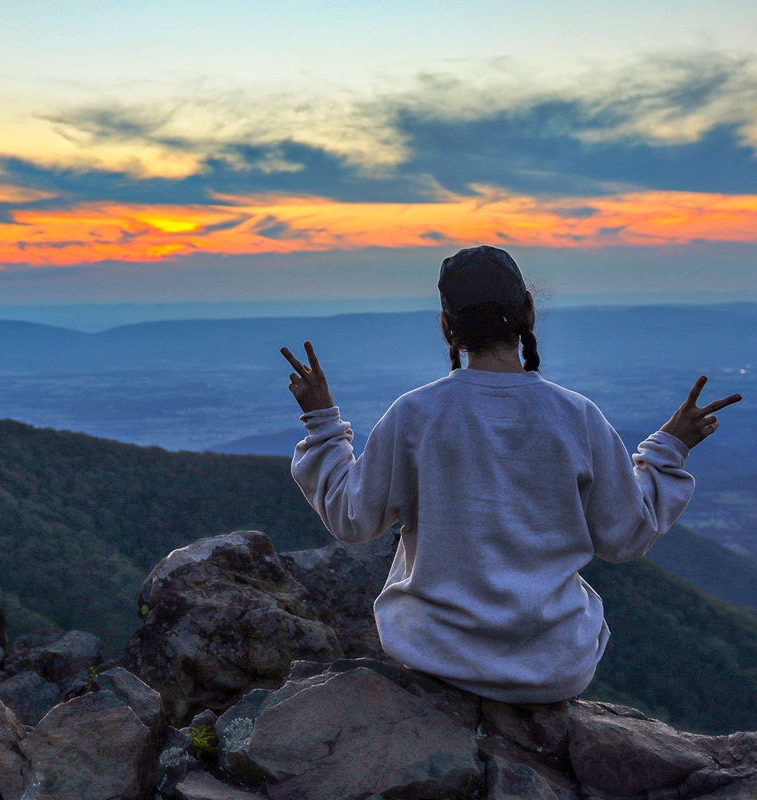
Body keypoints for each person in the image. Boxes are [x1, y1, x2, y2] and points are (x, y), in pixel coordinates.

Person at [280, 246, 743, 704]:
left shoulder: (417, 414)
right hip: (553, 669)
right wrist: (668, 448)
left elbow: (351, 519)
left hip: (436, 657)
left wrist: (322, 421)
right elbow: (624, 537)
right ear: (528, 312)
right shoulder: (576, 416)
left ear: (447, 326)